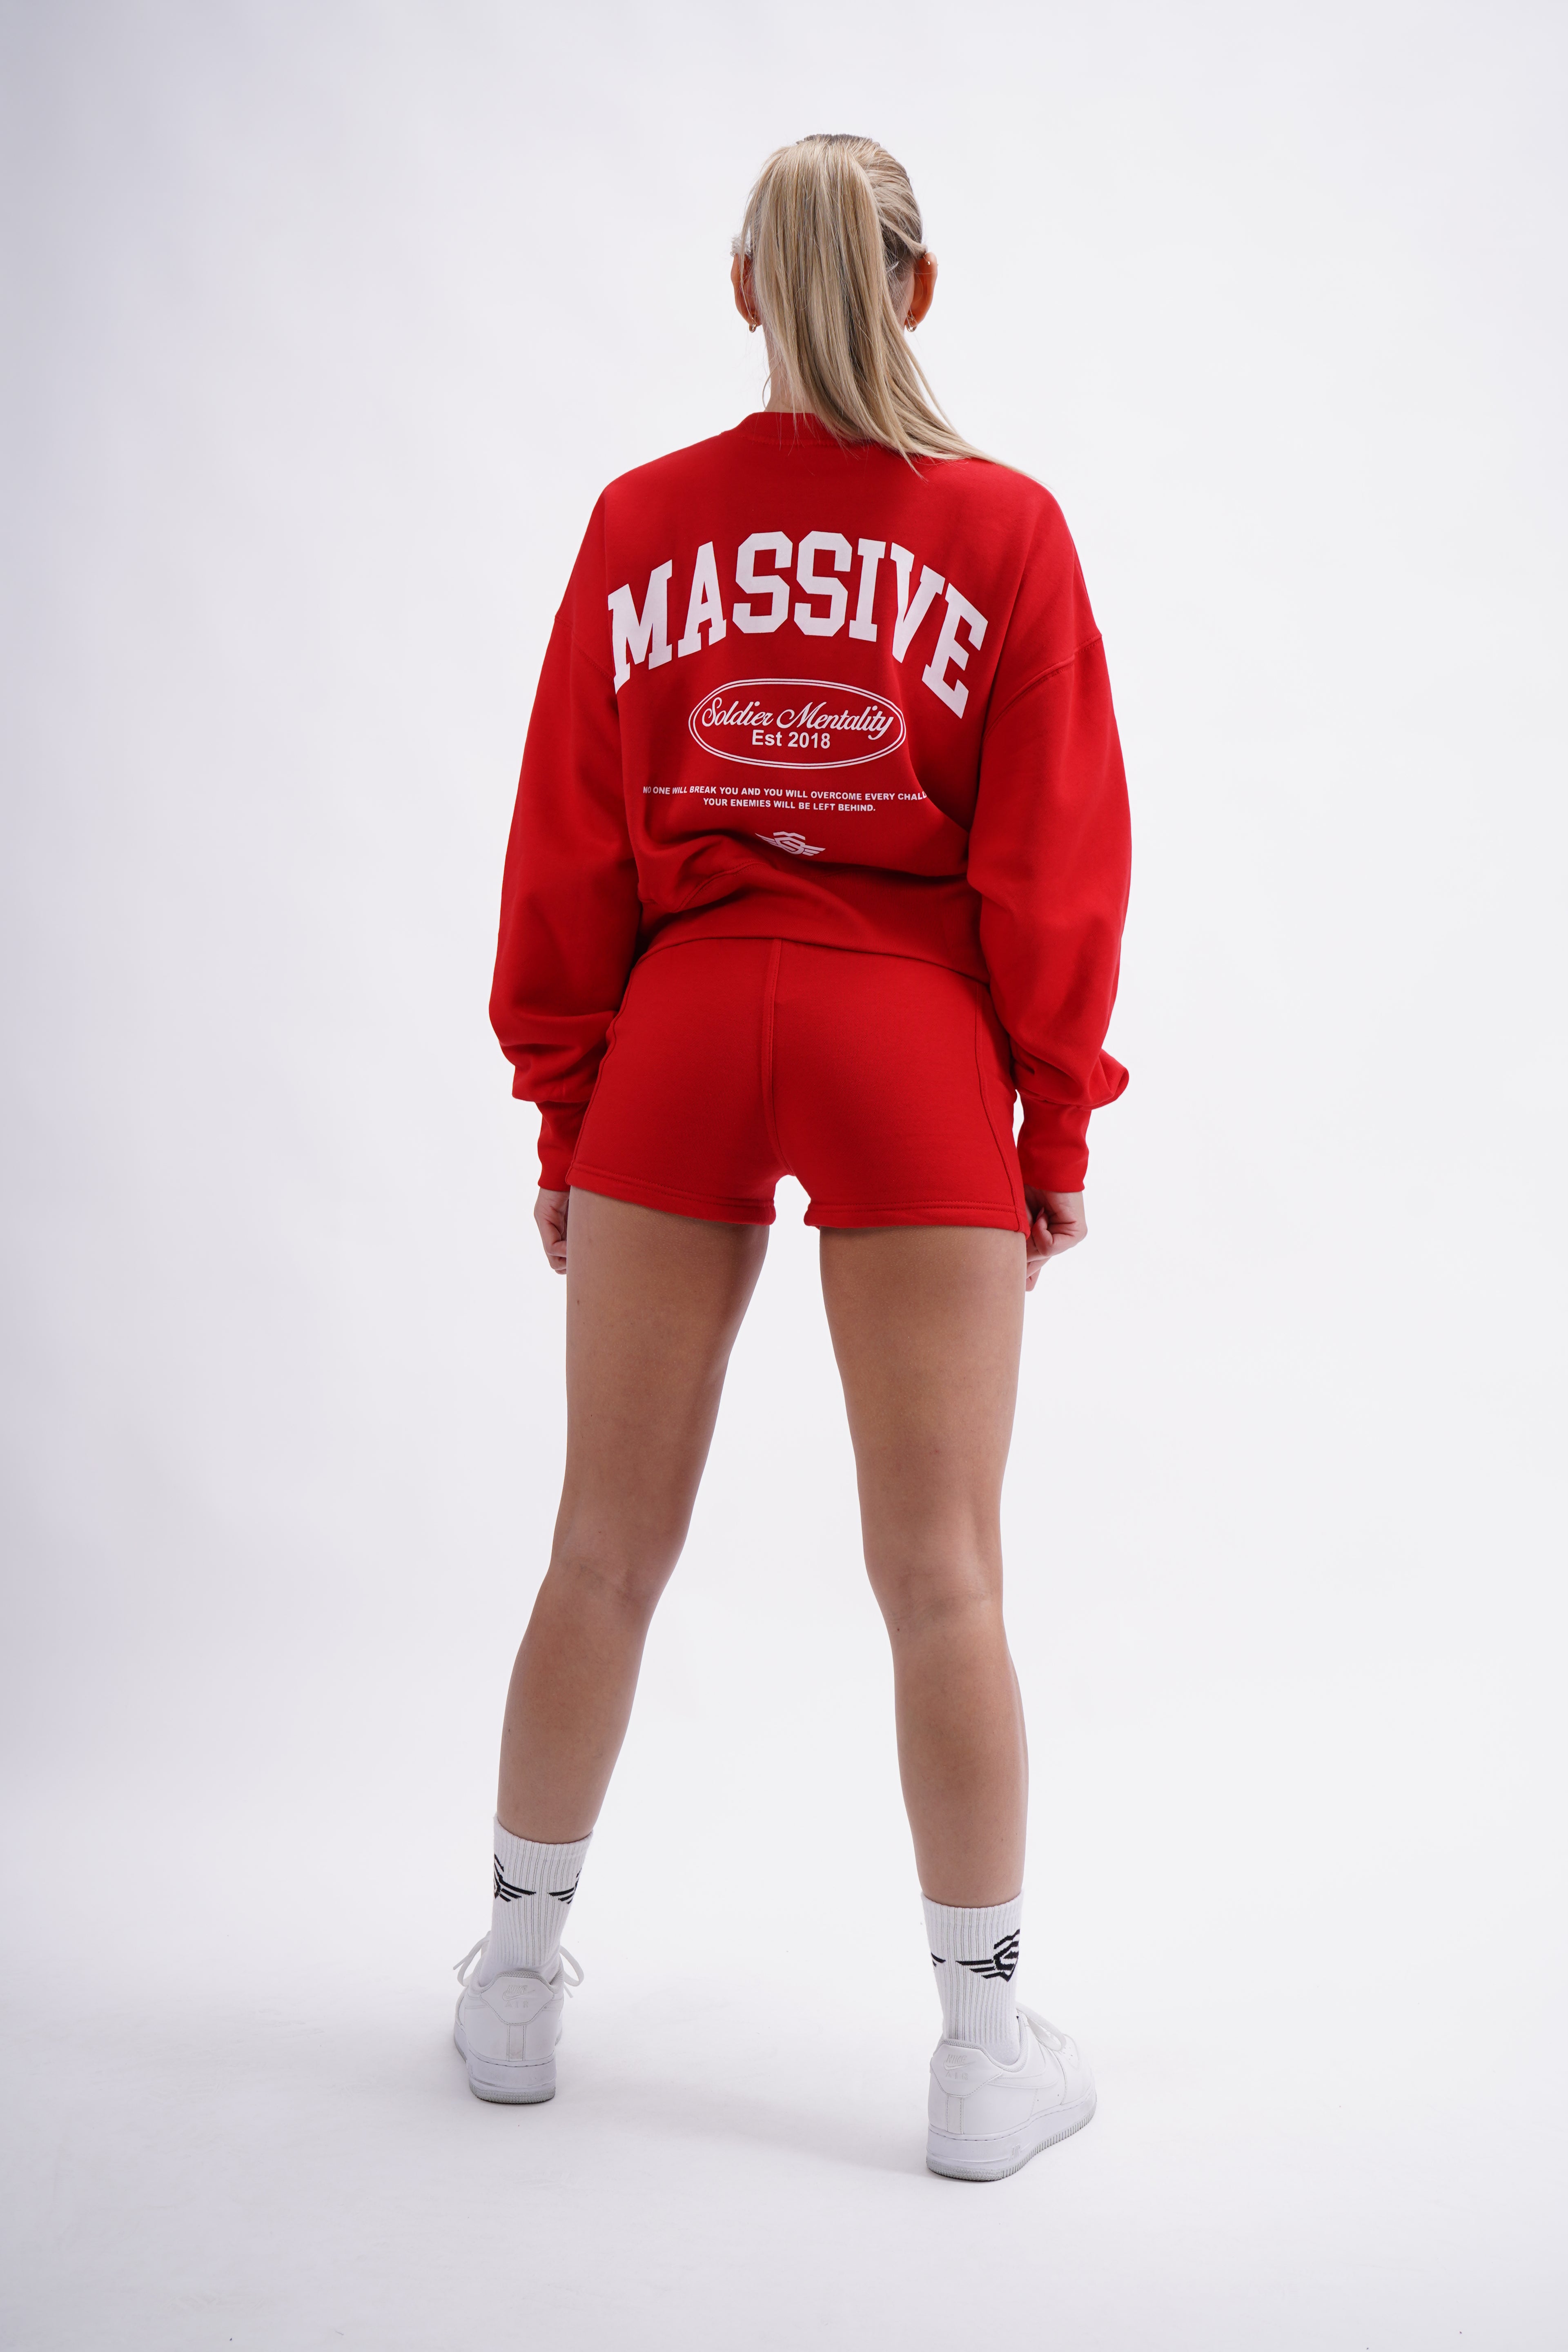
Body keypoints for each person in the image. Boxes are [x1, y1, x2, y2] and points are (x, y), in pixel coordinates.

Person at [454, 133, 1131, 2183]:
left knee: (600, 1551)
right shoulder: (1006, 531)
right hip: (905, 1038)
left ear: (746, 286)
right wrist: (1051, 1118)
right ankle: (983, 2056)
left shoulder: (640, 523)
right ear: (918, 288)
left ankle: (512, 1984)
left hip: (680, 1028)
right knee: (942, 1576)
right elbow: (1054, 862)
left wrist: (569, 1104)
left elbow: (568, 837)